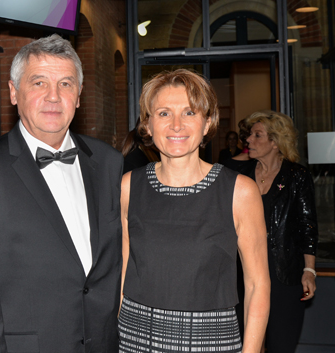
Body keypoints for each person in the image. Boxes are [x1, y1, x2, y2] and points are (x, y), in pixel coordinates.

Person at [0, 34, 123, 352]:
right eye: (39, 83)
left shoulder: (109, 162)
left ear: (80, 95)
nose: (54, 97)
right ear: (14, 93)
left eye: (66, 84)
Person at [119, 69, 270, 353]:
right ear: (148, 125)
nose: (176, 125)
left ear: (207, 122)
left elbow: (257, 285)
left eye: (189, 112)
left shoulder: (240, 191)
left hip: (210, 341)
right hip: (134, 339)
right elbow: (122, 272)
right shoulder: (129, 186)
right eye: (163, 113)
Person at [241, 110, 318, 353]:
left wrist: (309, 270)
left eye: (257, 135)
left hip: (284, 274)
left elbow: (308, 226)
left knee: (281, 343)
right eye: (250, 135)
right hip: (244, 274)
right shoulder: (241, 177)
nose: (248, 140)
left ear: (275, 142)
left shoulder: (297, 176)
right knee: (249, 344)